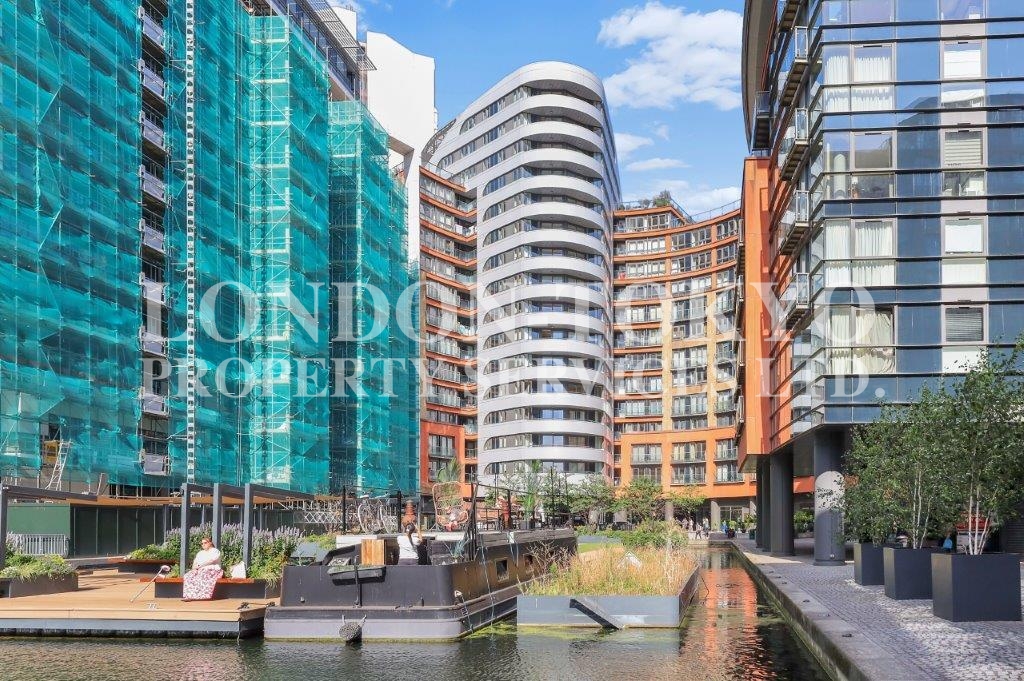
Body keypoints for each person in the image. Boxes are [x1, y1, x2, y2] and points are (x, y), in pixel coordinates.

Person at [182, 537, 222, 601]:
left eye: (205, 543)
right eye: (202, 543)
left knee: (202, 574)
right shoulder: (200, 553)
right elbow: (195, 562)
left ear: (210, 543)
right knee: (188, 576)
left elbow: (211, 560)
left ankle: (202, 596)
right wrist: (194, 569)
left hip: (212, 569)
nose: (203, 545)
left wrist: (199, 566)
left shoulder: (215, 551)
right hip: (200, 569)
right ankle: (189, 596)